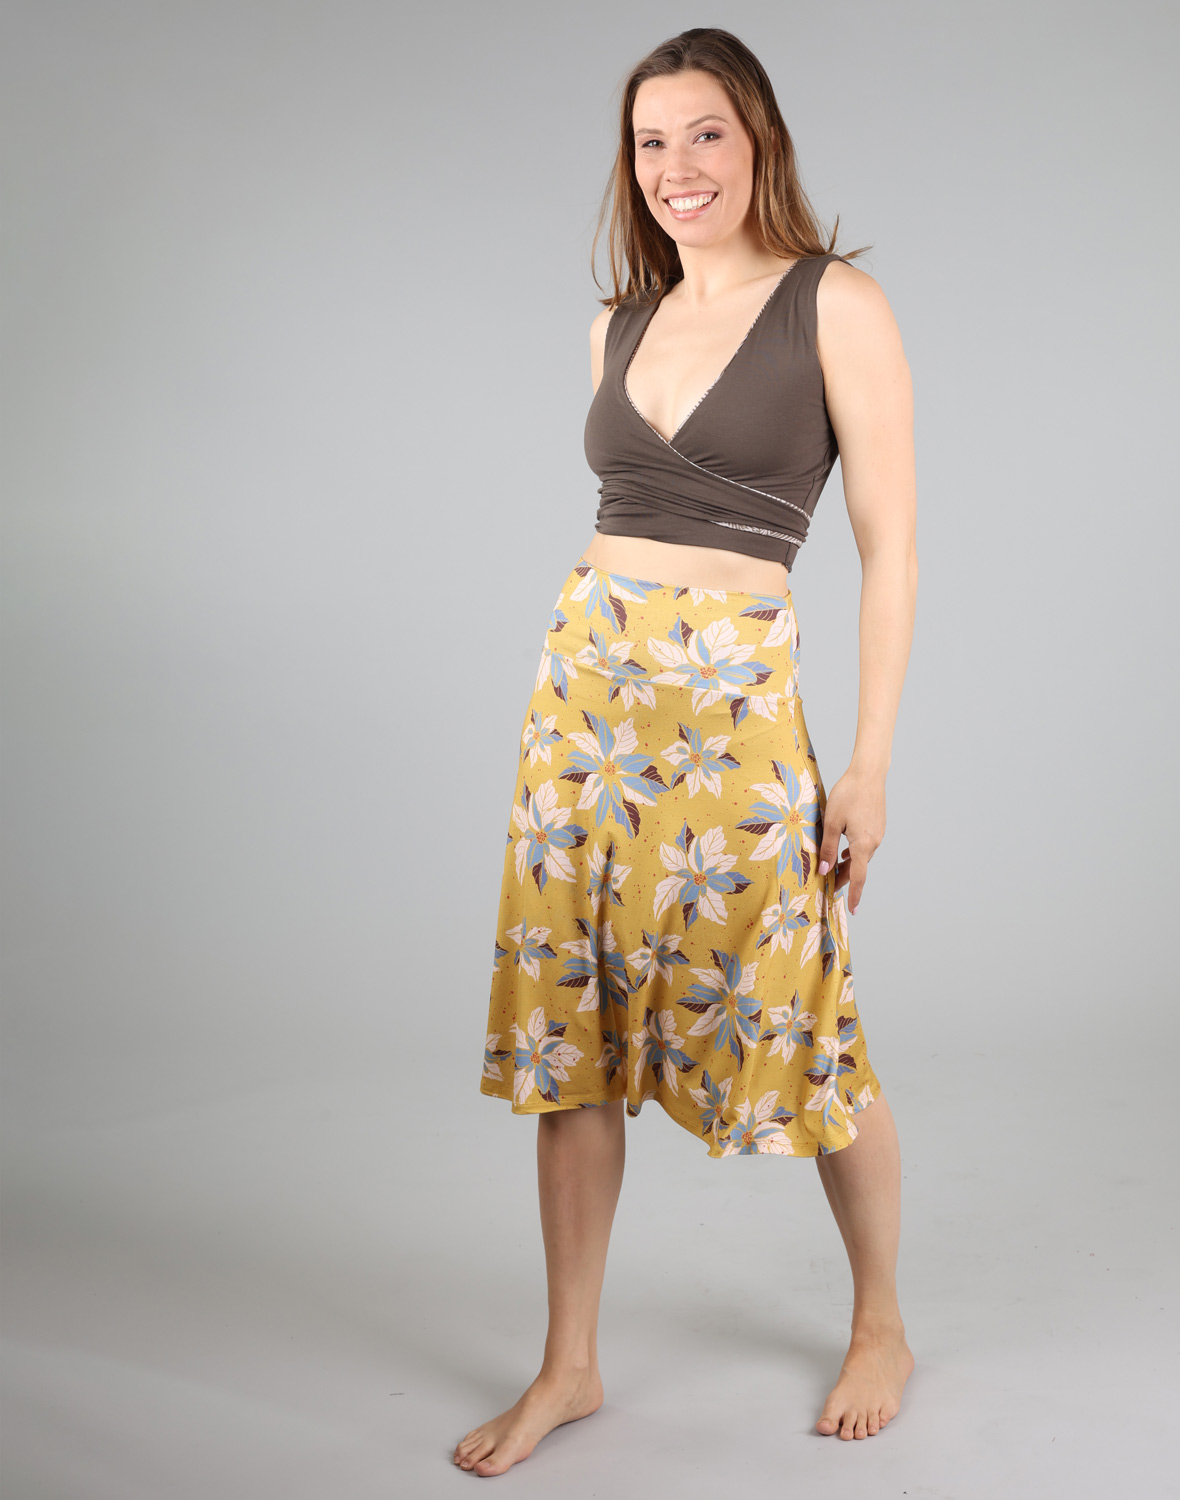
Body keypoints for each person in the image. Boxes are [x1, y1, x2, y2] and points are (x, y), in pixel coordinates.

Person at [455, 26, 918, 1476]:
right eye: (651, 143)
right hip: (584, 706)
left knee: (804, 1013)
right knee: (574, 1031)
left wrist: (866, 766)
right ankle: (569, 1364)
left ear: (758, 137)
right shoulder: (618, 323)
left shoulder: (837, 304)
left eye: (704, 134)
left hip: (734, 712)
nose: (677, 168)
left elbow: (892, 550)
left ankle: (883, 1321)